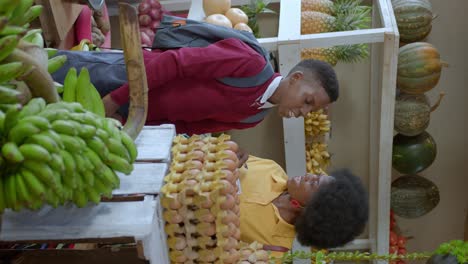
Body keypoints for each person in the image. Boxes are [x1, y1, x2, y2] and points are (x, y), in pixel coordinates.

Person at [52, 38, 339, 135]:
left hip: (121, 118)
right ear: (296, 78)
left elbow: (186, 127)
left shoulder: (253, 118)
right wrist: (117, 99)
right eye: (308, 101)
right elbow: (175, 63)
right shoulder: (250, 64)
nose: (303, 112)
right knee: (39, 75)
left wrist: (127, 122)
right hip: (120, 80)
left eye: (310, 111)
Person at [236, 152, 369, 258]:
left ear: (311, 212)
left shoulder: (272, 250)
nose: (308, 175)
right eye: (317, 175)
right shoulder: (271, 168)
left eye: (313, 183)